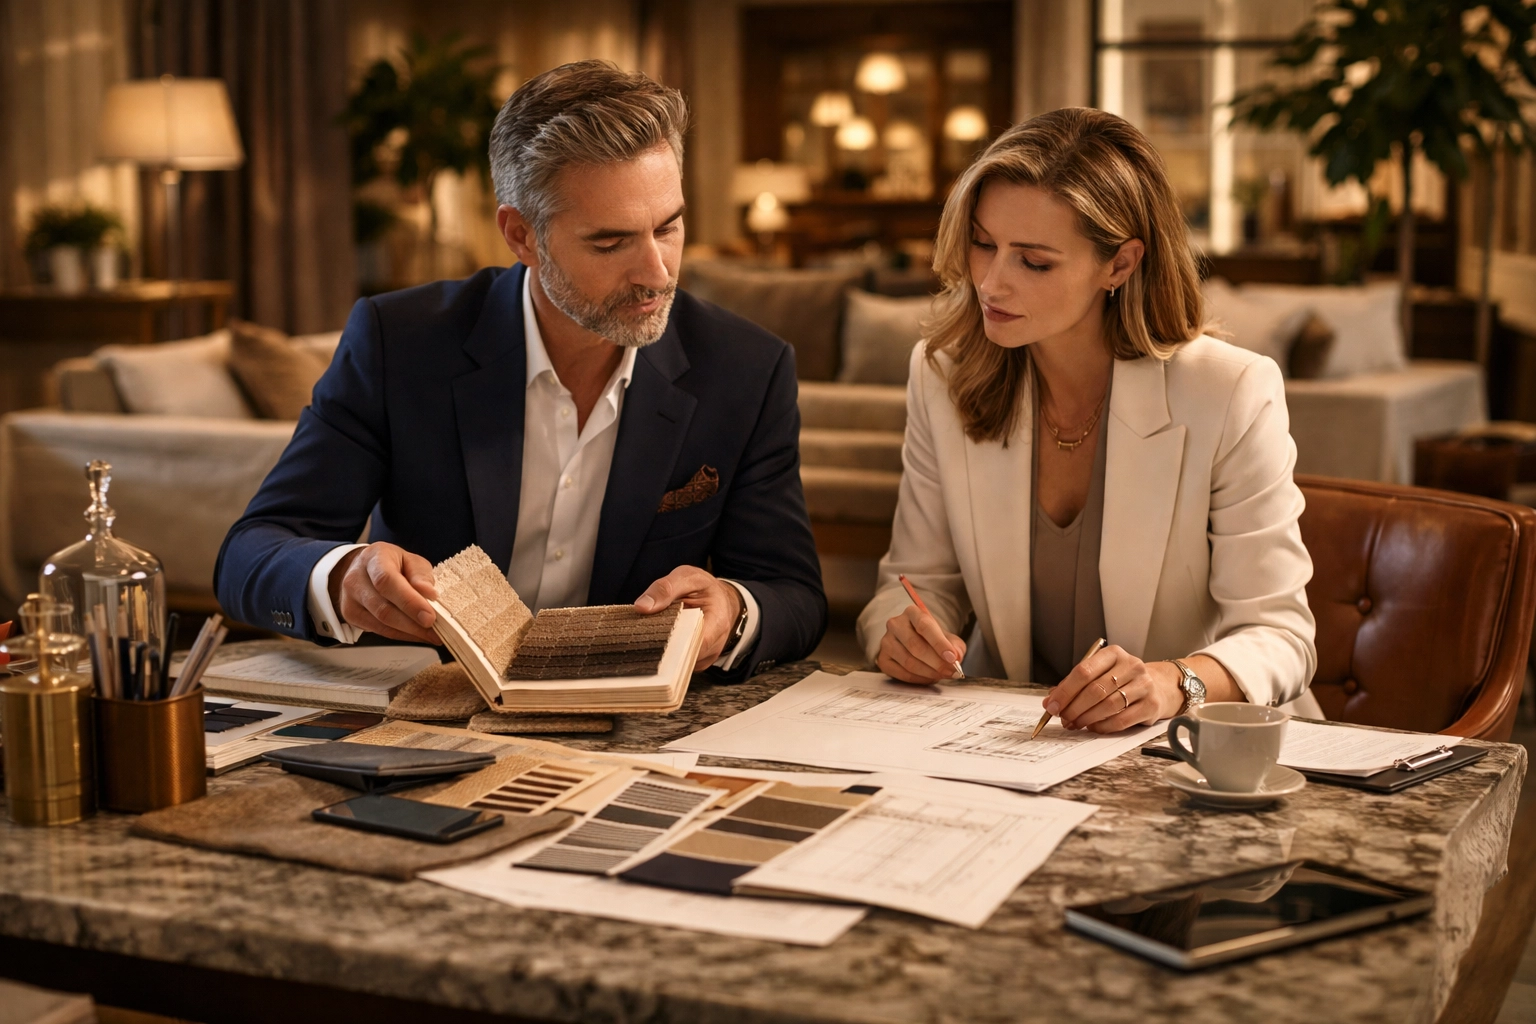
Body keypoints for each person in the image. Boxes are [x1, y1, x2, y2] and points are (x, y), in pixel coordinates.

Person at [215, 60, 825, 679]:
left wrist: (733, 609)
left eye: (668, 227)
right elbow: (251, 554)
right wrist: (342, 575)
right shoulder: (398, 343)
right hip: (430, 712)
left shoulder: (746, 367)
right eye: (610, 243)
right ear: (521, 235)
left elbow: (792, 593)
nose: (657, 272)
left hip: (632, 718)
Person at [857, 107, 1320, 730]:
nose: (991, 283)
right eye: (983, 244)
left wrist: (1170, 682)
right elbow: (916, 582)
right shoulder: (941, 373)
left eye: (1034, 261)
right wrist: (904, 632)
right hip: (1014, 744)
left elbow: (1280, 634)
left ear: (1120, 265)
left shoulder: (1230, 390)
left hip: (1200, 749)